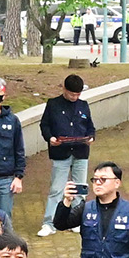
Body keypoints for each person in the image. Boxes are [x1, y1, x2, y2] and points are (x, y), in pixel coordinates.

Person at [37, 74, 95, 208]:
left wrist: (91, 137)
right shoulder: (53, 104)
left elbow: (90, 126)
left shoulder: (83, 105)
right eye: (71, 94)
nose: (74, 98)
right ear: (64, 89)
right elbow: (44, 125)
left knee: (80, 189)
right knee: (56, 189)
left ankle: (77, 218)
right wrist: (50, 138)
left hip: (81, 151)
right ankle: (51, 221)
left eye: (77, 95)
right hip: (61, 152)